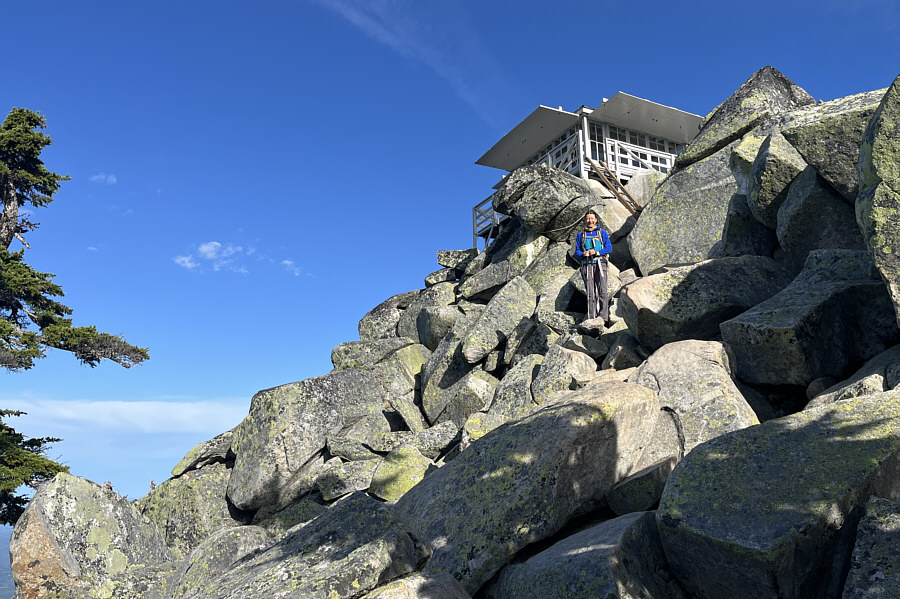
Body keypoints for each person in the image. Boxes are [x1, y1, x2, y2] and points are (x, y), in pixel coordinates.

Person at [574, 210, 612, 324]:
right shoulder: (581, 235)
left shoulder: (602, 233)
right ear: (585, 221)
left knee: (602, 291)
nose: (590, 221)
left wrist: (596, 252)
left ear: (596, 220)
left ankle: (603, 318)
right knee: (590, 293)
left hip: (600, 264)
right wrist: (583, 254)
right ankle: (592, 317)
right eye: (588, 219)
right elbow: (577, 251)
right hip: (587, 265)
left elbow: (609, 248)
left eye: (592, 218)